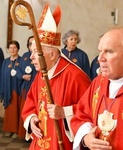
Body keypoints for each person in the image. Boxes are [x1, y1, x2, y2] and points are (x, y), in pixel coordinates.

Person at [22, 4, 91, 150]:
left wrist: (65, 112)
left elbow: (90, 109)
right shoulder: (42, 74)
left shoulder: (75, 76)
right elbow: (31, 101)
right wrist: (32, 119)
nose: (31, 57)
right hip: (40, 140)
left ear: (52, 54)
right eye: (32, 52)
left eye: (36, 52)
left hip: (62, 143)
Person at [71, 27, 123, 150]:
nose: (100, 58)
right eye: (100, 51)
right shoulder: (98, 82)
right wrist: (86, 137)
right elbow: (82, 114)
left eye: (109, 52)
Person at [0, 40, 23, 139]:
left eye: (15, 48)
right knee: (9, 110)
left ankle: (16, 130)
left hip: (17, 89)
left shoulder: (22, 60)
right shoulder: (5, 61)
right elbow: (2, 75)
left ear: (18, 49)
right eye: (11, 48)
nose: (13, 50)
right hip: (7, 89)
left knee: (16, 110)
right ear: (8, 49)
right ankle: (9, 129)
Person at [17, 36, 37, 139]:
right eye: (30, 43)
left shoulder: (40, 55)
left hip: (37, 89)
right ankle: (23, 134)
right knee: (25, 110)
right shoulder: (24, 56)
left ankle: (34, 135)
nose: (31, 45)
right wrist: (22, 76)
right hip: (26, 87)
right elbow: (18, 70)